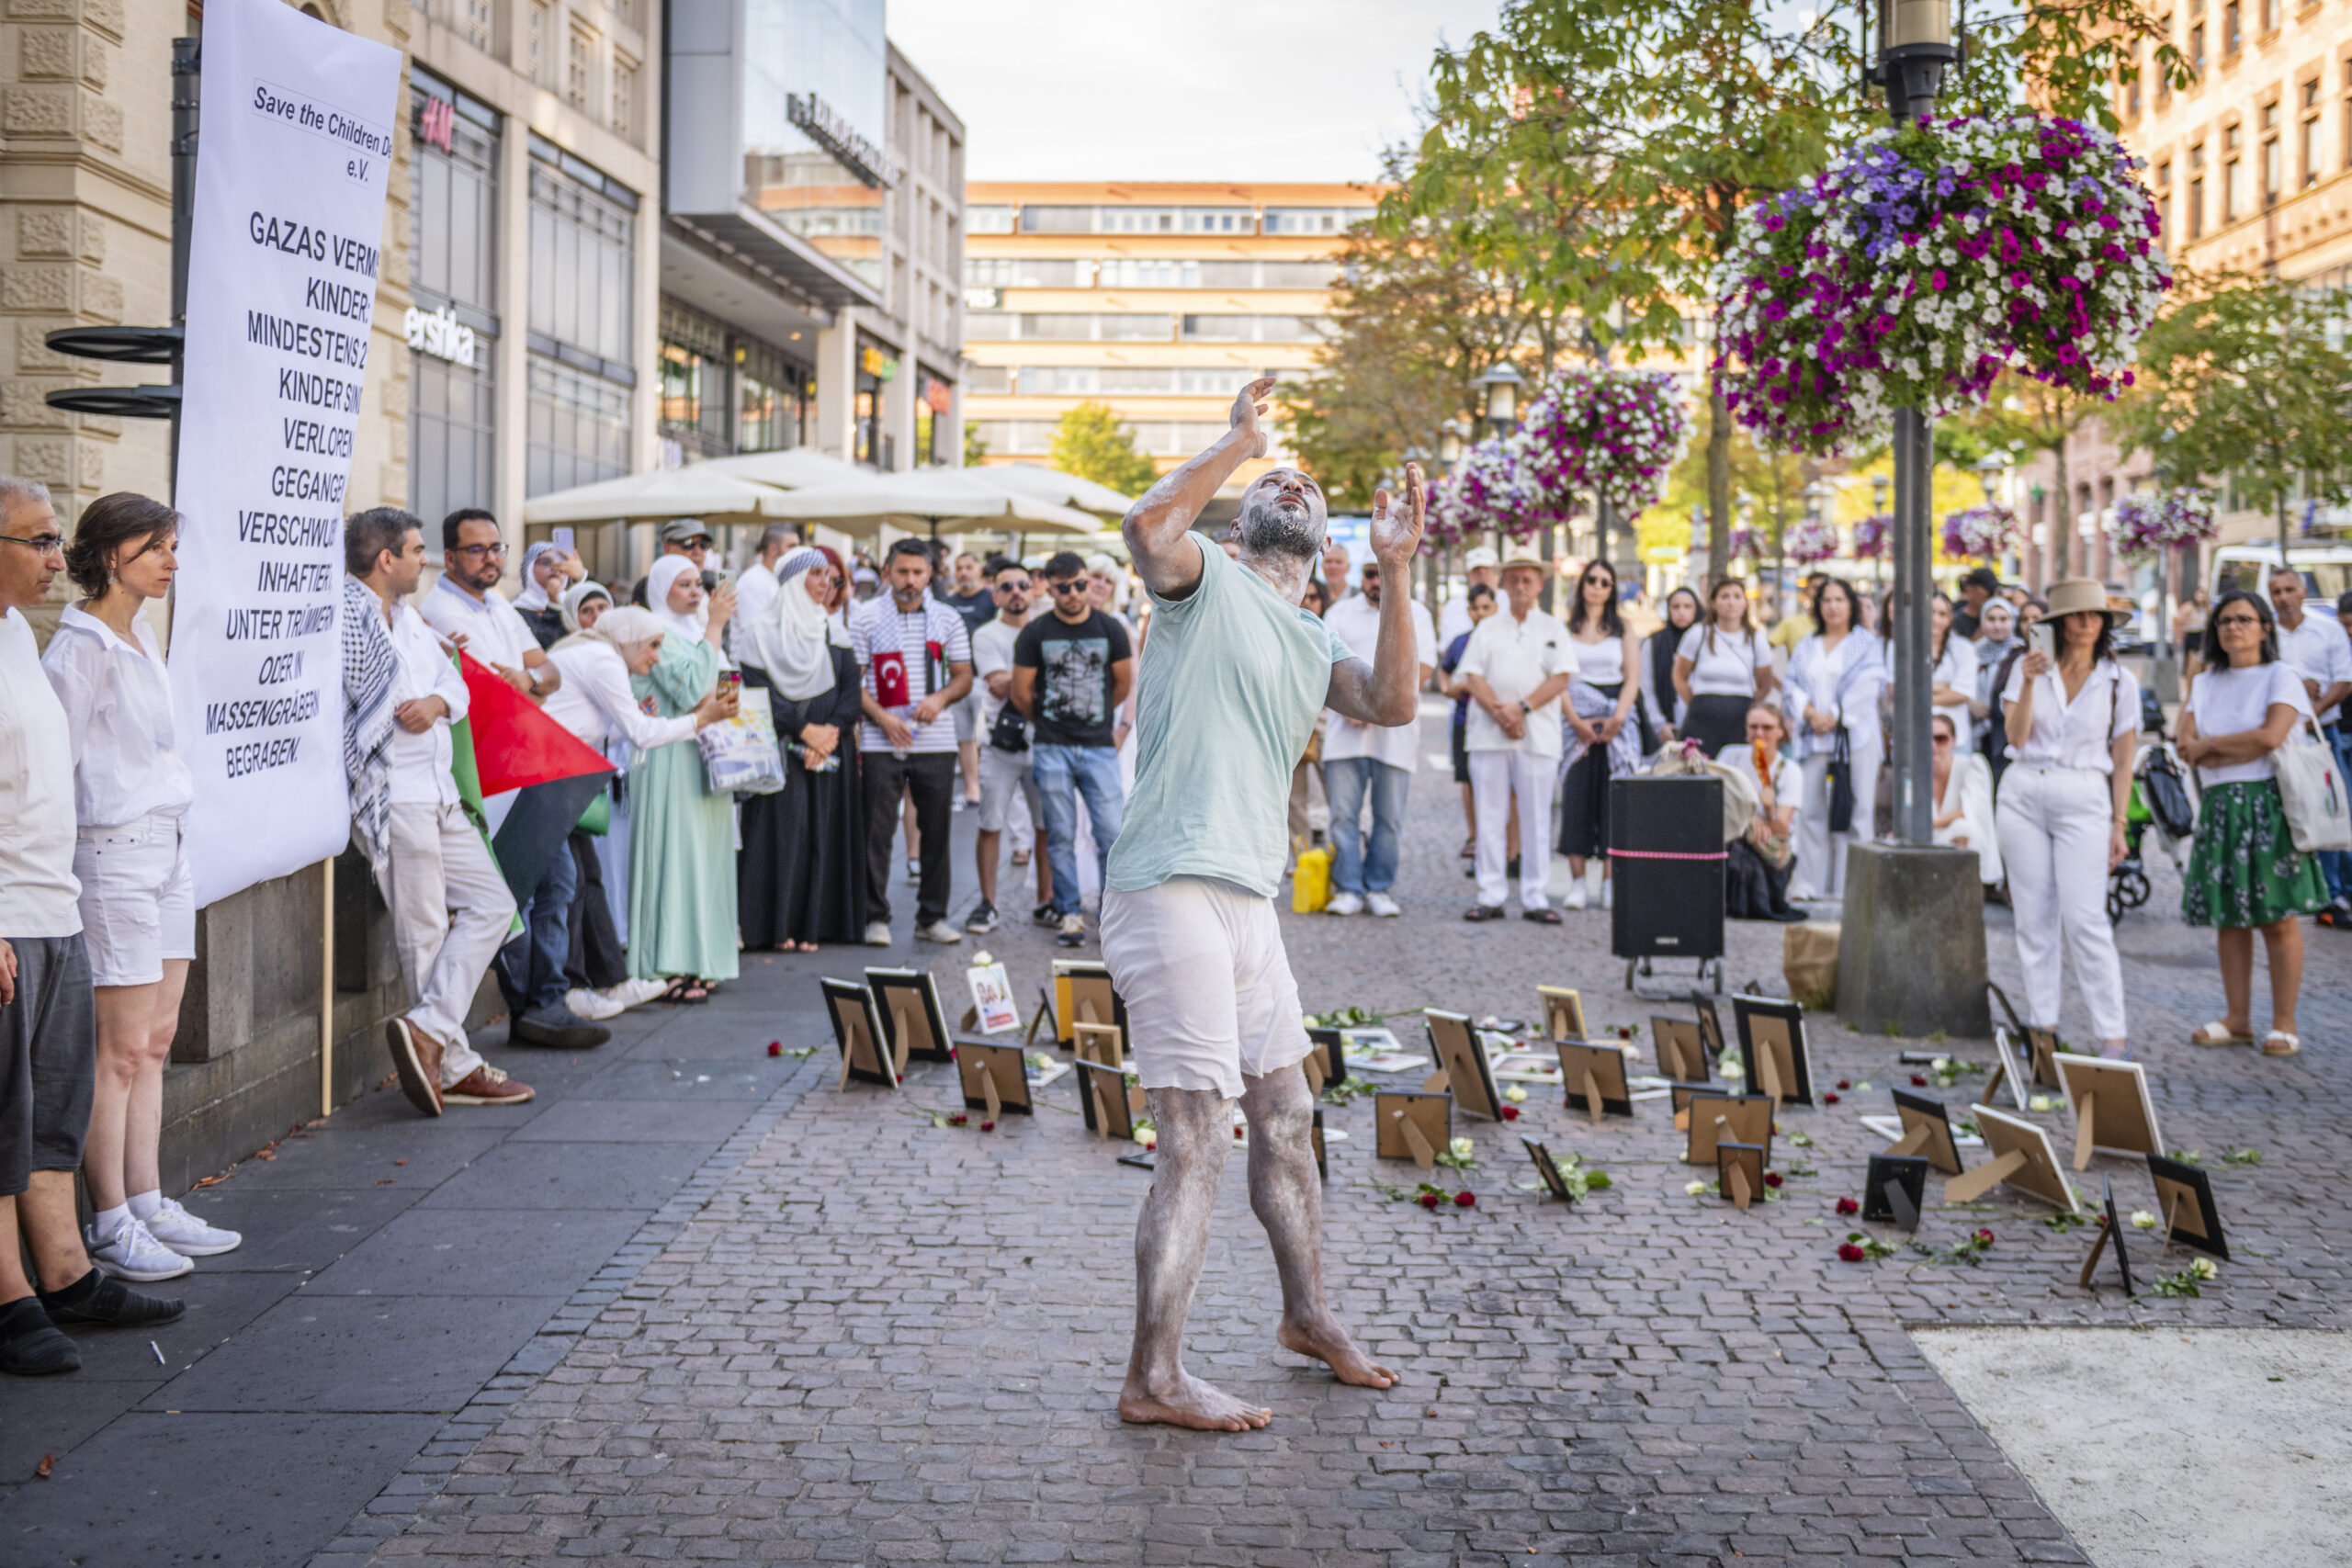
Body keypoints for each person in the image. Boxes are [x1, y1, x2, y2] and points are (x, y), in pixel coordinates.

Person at [1101, 378, 1409, 1431]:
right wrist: (1238, 441)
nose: (1292, 480)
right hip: (1166, 884)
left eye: (1307, 485)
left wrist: (1401, 574)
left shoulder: (1317, 635)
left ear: (1327, 551)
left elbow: (1395, 704)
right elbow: (1147, 523)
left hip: (1244, 898)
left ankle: (1307, 1316)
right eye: (1274, 479)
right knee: (1197, 1135)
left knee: (1286, 1115)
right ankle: (1153, 1377)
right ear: (1239, 523)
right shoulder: (1203, 582)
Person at [0, 478, 185, 1376]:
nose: (51, 557)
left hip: (57, 897)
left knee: (55, 1100)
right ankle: (22, 1289)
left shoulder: (16, 636)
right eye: (35, 541)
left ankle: (69, 1268)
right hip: (34, 895)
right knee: (15, 1107)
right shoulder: (65, 645)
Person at [43, 493, 239, 1281]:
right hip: (113, 857)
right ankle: (112, 1221)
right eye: (156, 546)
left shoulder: (140, 635)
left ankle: (150, 1200)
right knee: (118, 1050)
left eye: (171, 545)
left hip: (167, 850)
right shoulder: (79, 649)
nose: (171, 560)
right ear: (112, 553)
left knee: (154, 1043)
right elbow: (53, 776)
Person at [342, 508, 534, 1115]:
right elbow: (373, 702)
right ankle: (452, 1064)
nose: (424, 558)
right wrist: (423, 699)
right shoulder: (347, 618)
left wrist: (434, 700)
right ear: (386, 560)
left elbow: (457, 687)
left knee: (495, 904)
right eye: (418, 549)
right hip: (394, 792)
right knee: (423, 931)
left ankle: (428, 1030)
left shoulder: (408, 618)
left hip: (440, 790)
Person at [421, 509, 605, 1049]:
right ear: (449, 556)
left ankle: (547, 998)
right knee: (514, 892)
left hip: (525, 761)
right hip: (484, 771)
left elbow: (547, 671)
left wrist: (528, 678)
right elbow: (473, 693)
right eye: (477, 549)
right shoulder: (437, 610)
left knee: (559, 881)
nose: (491, 558)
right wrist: (527, 683)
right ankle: (529, 1002)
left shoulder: (498, 605)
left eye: (497, 547)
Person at [543, 604, 731, 1009]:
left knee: (585, 878)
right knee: (569, 884)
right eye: (653, 646)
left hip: (562, 774)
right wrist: (702, 719)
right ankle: (571, 989)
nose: (657, 657)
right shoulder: (603, 659)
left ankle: (609, 980)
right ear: (629, 641)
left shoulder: (597, 654)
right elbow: (642, 734)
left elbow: (600, 724)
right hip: (551, 776)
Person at [2178, 590, 2328, 1055]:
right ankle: (2237, 1016)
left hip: (2268, 802)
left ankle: (2284, 1022)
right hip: (2221, 804)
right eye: (2224, 621)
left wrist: (2211, 744)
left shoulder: (2281, 675)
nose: (2232, 628)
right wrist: (2209, 748)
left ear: (2265, 628)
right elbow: (2185, 743)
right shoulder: (2204, 682)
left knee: (2278, 917)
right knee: (2230, 917)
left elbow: (2270, 736)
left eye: (2244, 619)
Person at [1997, 580, 2141, 1056]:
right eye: (2075, 616)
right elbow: (2015, 739)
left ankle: (2112, 1035)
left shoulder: (2120, 680)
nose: (2085, 624)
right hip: (2023, 789)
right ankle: (2042, 1028)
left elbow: (2123, 761)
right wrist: (2031, 680)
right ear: (2057, 624)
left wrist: (2120, 824)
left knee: (2085, 918)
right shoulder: (2028, 669)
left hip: (2084, 794)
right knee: (2033, 919)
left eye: (2094, 615)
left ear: (2104, 624)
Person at [622, 556, 740, 999]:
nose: (695, 592)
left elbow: (721, 687)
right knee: (673, 857)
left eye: (698, 584)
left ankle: (701, 958)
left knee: (706, 862)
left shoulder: (695, 633)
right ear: (660, 590)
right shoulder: (658, 633)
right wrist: (715, 627)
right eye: (683, 585)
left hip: (707, 753)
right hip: (669, 755)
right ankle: (666, 962)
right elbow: (692, 689)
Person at [853, 538, 974, 946]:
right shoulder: (865, 617)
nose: (909, 580)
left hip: (935, 740)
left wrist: (939, 699)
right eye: (902, 571)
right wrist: (884, 719)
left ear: (930, 575)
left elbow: (963, 675)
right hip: (879, 739)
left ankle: (932, 916)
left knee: (936, 830)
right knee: (876, 830)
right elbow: (853, 682)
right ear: (887, 572)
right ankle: (875, 916)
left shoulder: (948, 618)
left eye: (917, 572)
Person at [1015, 552, 1136, 947]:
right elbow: (1021, 693)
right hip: (1052, 745)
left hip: (1098, 746)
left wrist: (1102, 721)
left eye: (1080, 584)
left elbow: (1122, 684)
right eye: (1064, 587)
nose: (1073, 594)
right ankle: (1068, 912)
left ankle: (1110, 912)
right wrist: (1050, 722)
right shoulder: (1035, 633)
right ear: (1049, 588)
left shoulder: (1111, 628)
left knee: (1111, 832)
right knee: (1060, 834)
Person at [1459, 552, 1579, 923]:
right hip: (1489, 733)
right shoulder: (1488, 627)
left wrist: (1522, 709)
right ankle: (1490, 893)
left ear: (1540, 585)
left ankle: (1535, 895)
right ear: (1504, 584)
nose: (1521, 586)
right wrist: (1501, 711)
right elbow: (1471, 675)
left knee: (1537, 817)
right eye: (1514, 579)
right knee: (1490, 816)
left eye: (1528, 579)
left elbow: (1562, 677)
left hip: (1536, 734)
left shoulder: (1553, 628)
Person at [1317, 555, 1435, 918]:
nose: (1377, 581)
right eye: (1371, 573)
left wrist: (1379, 707)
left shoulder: (1418, 612)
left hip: (1395, 736)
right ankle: (1349, 887)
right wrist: (1355, 706)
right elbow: (1322, 663)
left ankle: (1380, 887)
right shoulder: (1339, 613)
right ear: (1362, 575)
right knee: (1342, 817)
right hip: (1344, 732)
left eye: (1383, 574)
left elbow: (1425, 669)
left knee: (1389, 818)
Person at [1783, 577, 1886, 899]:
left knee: (1856, 811)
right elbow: (1791, 685)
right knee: (1812, 811)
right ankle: (1810, 884)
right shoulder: (1807, 645)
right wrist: (1812, 714)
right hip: (1814, 738)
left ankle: (1852, 888)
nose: (1832, 607)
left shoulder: (1866, 643)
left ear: (1851, 604)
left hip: (1855, 739)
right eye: (1826, 600)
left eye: (1839, 600)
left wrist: (1837, 716)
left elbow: (1871, 683)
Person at [967, 558, 1052, 934]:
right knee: (990, 823)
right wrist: (1039, 682)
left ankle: (1047, 901)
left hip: (1044, 744)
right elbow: (998, 684)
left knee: (1046, 826)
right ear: (995, 594)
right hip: (1000, 747)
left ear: (1034, 589)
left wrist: (1016, 683)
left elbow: (1009, 685)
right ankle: (987, 904)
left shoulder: (1049, 629)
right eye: (1007, 587)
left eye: (1022, 585)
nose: (1016, 592)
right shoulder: (986, 635)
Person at [2267, 564, 2352, 919]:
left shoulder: (2328, 630)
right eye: (2277, 592)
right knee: (2287, 812)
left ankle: (2335, 893)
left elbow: (2344, 681)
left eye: (2290, 590)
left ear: (2303, 591)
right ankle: (2297, 888)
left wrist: (2309, 711)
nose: (2284, 598)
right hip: (2278, 739)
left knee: (2332, 808)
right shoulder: (2266, 634)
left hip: (2322, 735)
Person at [1557, 558, 1642, 910]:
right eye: (1591, 580)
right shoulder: (1564, 629)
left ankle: (1609, 882)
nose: (1597, 586)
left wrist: (1618, 719)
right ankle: (1577, 882)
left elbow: (1632, 679)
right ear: (1582, 586)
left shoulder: (1623, 629)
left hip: (1614, 727)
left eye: (1605, 582)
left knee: (1614, 804)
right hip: (1575, 726)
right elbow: (1559, 678)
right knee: (1575, 801)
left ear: (1612, 590)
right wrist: (1576, 721)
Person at [1721, 701, 1805, 920]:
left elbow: (1781, 829)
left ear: (1779, 732)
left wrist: (1769, 809)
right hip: (1735, 836)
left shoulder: (1789, 771)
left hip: (1768, 851)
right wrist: (1750, 818)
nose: (1759, 733)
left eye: (1767, 728)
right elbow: (1716, 801)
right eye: (1753, 727)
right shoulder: (1730, 757)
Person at [1673, 578, 1774, 756]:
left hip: (1739, 717)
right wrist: (1699, 703)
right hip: (1702, 717)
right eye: (1724, 597)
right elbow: (1680, 676)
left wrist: (1746, 706)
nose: (1731, 603)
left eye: (1737, 597)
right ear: (1713, 603)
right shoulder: (1698, 634)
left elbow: (1765, 683)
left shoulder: (1756, 639)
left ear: (1745, 603)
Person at [1442, 582, 1501, 862]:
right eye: (1476, 608)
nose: (1481, 613)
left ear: (1495, 608)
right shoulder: (1461, 641)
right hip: (1465, 719)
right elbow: (1445, 671)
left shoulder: (1502, 639)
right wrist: (1450, 689)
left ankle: (1497, 838)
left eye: (1486, 607)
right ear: (1469, 611)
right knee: (1467, 779)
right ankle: (1474, 834)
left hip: (1494, 720)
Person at [940, 550, 994, 809]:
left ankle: (990, 789)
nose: (963, 572)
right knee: (964, 737)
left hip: (985, 681)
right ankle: (972, 789)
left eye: (968, 567)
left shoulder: (991, 600)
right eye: (959, 568)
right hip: (958, 682)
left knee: (986, 738)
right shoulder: (948, 603)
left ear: (979, 571)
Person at [1932, 713, 2003, 893]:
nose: (1933, 745)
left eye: (1940, 739)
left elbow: (1970, 810)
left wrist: (1931, 824)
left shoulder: (1971, 765)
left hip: (1964, 843)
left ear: (1954, 741)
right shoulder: (1916, 773)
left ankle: (1961, 893)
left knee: (1963, 827)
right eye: (1927, 738)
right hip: (1930, 842)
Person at [729, 523, 799, 665]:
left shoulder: (781, 578)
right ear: (773, 549)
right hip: (752, 671)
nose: (798, 552)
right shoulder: (752, 582)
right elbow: (757, 635)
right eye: (792, 546)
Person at [1641, 586, 1701, 750]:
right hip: (1665, 729)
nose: (1681, 612)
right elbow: (1645, 687)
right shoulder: (1654, 643)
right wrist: (1659, 725)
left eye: (1687, 607)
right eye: (1676, 607)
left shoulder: (1706, 641)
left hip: (1701, 724)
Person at [1929, 592, 1981, 754]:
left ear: (1950, 618)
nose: (1935, 619)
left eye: (1942, 614)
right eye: (1930, 612)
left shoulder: (1963, 648)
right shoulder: (1901, 647)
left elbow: (1963, 693)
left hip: (1956, 739)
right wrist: (1944, 687)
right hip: (1916, 735)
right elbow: (1897, 691)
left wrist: (1920, 695)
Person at [1970, 598, 2019, 759]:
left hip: (2008, 730)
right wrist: (1969, 703)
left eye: (2003, 619)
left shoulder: (2020, 652)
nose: (1997, 625)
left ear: (2013, 621)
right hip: (1977, 731)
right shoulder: (1971, 652)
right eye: (1991, 619)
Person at [512, 539, 584, 649]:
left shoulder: (573, 604)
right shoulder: (516, 611)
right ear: (529, 569)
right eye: (546, 562)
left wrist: (580, 578)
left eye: (560, 563)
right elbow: (548, 646)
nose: (555, 568)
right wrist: (553, 603)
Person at [1438, 545, 1500, 646]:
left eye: (1487, 569)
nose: (1482, 574)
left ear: (1498, 573)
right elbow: (1449, 647)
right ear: (1469, 574)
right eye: (1477, 570)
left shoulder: (1510, 602)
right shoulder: (1453, 607)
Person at [1952, 564, 2000, 639]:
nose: (1991, 597)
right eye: (1988, 592)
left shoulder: (2000, 619)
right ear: (1970, 590)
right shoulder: (1956, 622)